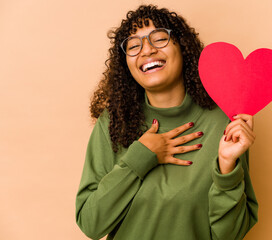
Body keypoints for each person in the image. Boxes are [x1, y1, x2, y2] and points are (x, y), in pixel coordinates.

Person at [75, 4, 258, 240]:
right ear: (126, 64)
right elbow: (91, 223)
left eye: (159, 38)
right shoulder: (112, 123)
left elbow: (231, 235)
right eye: (133, 46)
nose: (147, 50)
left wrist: (226, 166)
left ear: (183, 47)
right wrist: (140, 156)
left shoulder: (224, 123)